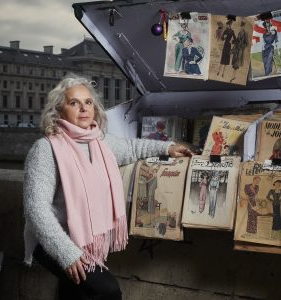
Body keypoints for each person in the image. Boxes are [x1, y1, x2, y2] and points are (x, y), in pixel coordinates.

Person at [23, 73, 194, 300]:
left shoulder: (100, 141)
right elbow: (36, 210)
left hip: (87, 239)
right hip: (53, 241)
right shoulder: (45, 149)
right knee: (108, 291)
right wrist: (67, 254)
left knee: (75, 294)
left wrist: (169, 148)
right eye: (74, 103)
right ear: (58, 111)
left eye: (88, 102)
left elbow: (133, 148)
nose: (84, 108)